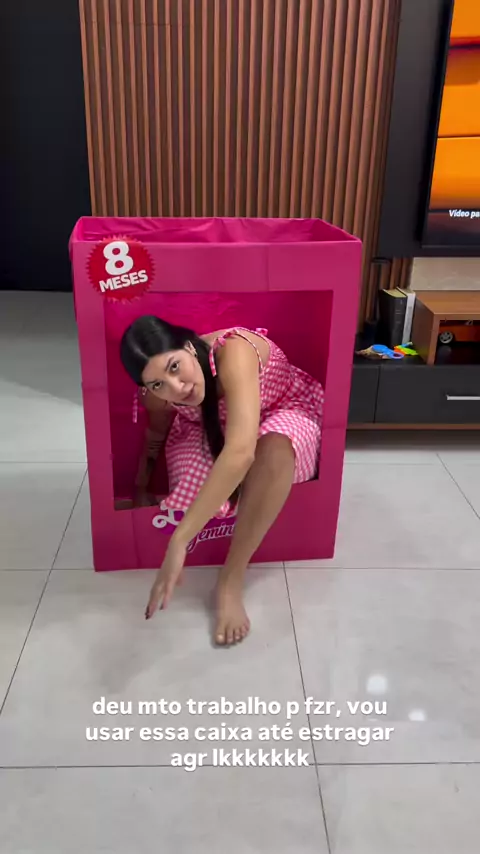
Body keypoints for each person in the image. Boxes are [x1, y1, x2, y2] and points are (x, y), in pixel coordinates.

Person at [120, 316, 324, 646]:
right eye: (158, 384)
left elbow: (240, 452)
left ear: (189, 347)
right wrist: (140, 487)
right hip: (210, 431)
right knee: (194, 488)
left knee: (274, 451)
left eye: (175, 367)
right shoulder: (156, 395)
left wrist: (179, 540)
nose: (177, 388)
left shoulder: (233, 352)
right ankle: (240, 498)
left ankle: (231, 578)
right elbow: (155, 437)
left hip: (279, 413)